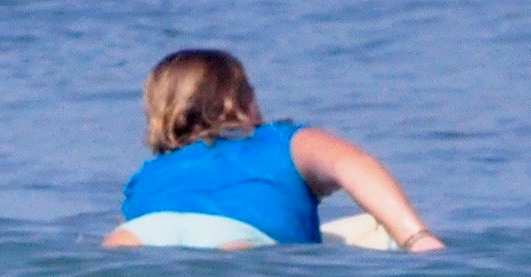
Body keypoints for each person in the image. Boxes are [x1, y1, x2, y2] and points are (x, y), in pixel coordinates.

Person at [104, 49, 441, 252]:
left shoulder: (150, 172)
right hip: (235, 238)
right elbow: (353, 165)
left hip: (140, 233)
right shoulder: (283, 140)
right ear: (242, 101)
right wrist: (418, 238)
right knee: (376, 225)